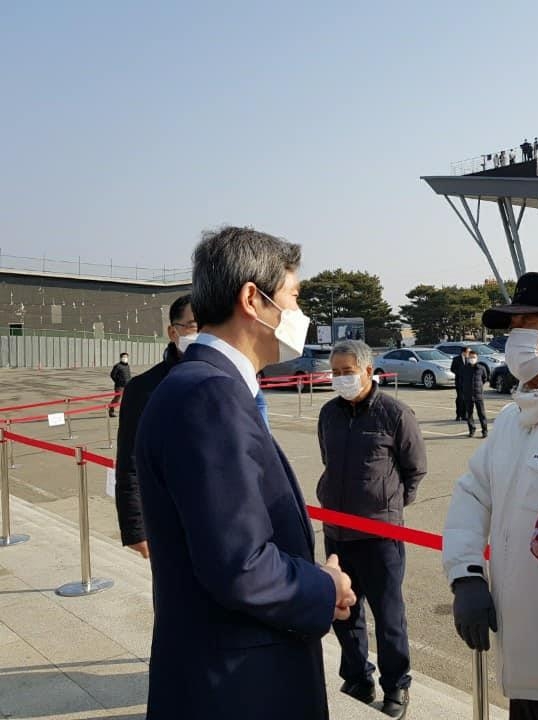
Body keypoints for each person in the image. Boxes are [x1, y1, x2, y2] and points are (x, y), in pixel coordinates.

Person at [135, 226, 355, 719]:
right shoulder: (208, 395)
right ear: (253, 300)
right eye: (294, 298)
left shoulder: (202, 386)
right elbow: (239, 565)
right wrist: (325, 588)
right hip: (239, 687)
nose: (299, 315)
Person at [443, 272, 538, 720]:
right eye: (511, 329)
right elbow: (472, 493)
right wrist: (467, 574)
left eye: (526, 326)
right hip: (522, 668)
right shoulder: (514, 419)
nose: (513, 340)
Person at [317, 339, 426, 718]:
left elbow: (415, 470)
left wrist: (388, 505)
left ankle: (396, 685)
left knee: (388, 616)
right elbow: (328, 460)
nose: (341, 378)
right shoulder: (329, 413)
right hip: (337, 533)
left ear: (367, 370)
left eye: (348, 372)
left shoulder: (394, 413)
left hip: (380, 536)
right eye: (336, 372)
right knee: (344, 612)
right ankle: (358, 676)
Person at [114, 294, 195, 559]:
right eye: (194, 325)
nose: (204, 334)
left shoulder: (231, 380)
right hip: (171, 519)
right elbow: (129, 461)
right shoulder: (145, 388)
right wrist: (135, 528)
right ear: (173, 332)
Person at [462, 349, 488, 438]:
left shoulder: (481, 368)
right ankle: (471, 430)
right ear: (468, 358)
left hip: (478, 395)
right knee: (469, 414)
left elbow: (484, 379)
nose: (472, 359)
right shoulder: (465, 368)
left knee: (482, 414)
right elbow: (462, 380)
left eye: (474, 357)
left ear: (477, 358)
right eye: (470, 357)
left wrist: (479, 387)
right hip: (468, 395)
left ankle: (484, 431)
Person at [109, 352, 131, 417]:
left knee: (126, 399)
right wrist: (118, 382)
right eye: (124, 357)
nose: (125, 358)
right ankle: (111, 410)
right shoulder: (117, 366)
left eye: (126, 357)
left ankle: (125, 411)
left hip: (127, 385)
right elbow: (112, 375)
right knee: (117, 398)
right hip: (119, 386)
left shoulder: (127, 366)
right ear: (121, 358)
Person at [451, 346, 470, 421]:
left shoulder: (469, 359)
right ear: (463, 352)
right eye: (467, 352)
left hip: (467, 382)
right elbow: (452, 369)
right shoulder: (456, 359)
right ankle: (458, 415)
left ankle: (464, 415)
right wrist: (459, 373)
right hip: (459, 382)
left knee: (466, 399)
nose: (468, 353)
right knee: (460, 398)